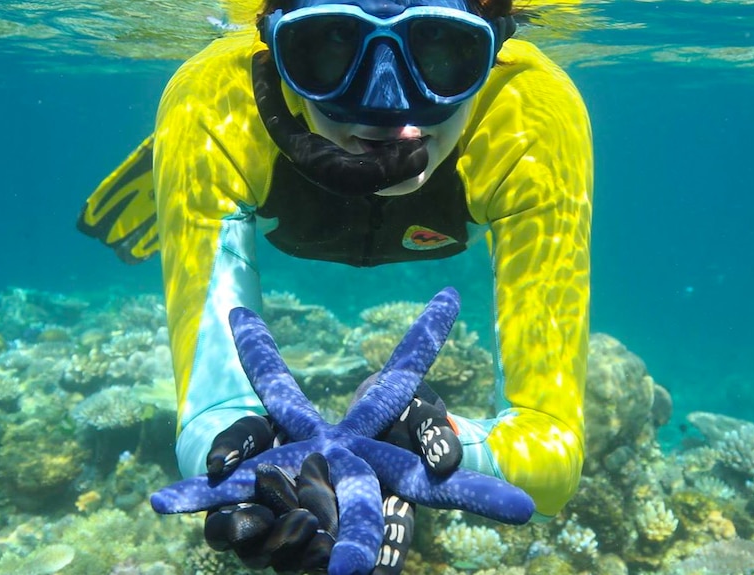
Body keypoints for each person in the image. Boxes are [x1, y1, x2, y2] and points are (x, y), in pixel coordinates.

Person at [78, 0, 592, 568]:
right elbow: (212, 413)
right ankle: (168, 169)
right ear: (271, 45)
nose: (390, 115)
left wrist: (430, 445)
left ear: (495, 46)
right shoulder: (214, 105)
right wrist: (257, 469)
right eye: (330, 46)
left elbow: (553, 454)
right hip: (234, 145)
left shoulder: (530, 114)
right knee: (189, 138)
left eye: (442, 52)